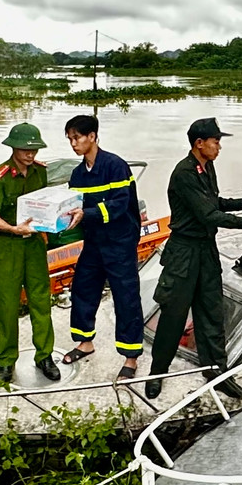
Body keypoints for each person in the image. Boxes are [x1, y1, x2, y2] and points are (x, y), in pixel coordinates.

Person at [144, 118, 242, 401]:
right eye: (215, 141)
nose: (219, 146)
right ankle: (157, 373)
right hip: (183, 253)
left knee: (212, 315)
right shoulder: (184, 173)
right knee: (173, 316)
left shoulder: (206, 166)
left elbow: (215, 203)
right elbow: (208, 215)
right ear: (199, 143)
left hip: (205, 250)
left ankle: (218, 373)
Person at [62, 115, 147, 380]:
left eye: (77, 138)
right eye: (70, 139)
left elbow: (120, 205)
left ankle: (130, 356)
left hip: (120, 242)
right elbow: (72, 205)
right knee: (83, 289)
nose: (74, 144)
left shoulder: (115, 166)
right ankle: (85, 342)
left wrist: (86, 214)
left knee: (126, 297)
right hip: (94, 241)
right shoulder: (77, 174)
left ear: (93, 136)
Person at [0, 123, 59, 385]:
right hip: (7, 246)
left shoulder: (40, 172)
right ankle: (6, 361)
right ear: (14, 147)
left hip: (34, 244)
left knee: (41, 299)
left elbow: (44, 205)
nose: (30, 154)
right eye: (26, 149)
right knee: (7, 305)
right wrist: (14, 229)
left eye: (34, 149)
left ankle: (44, 355)